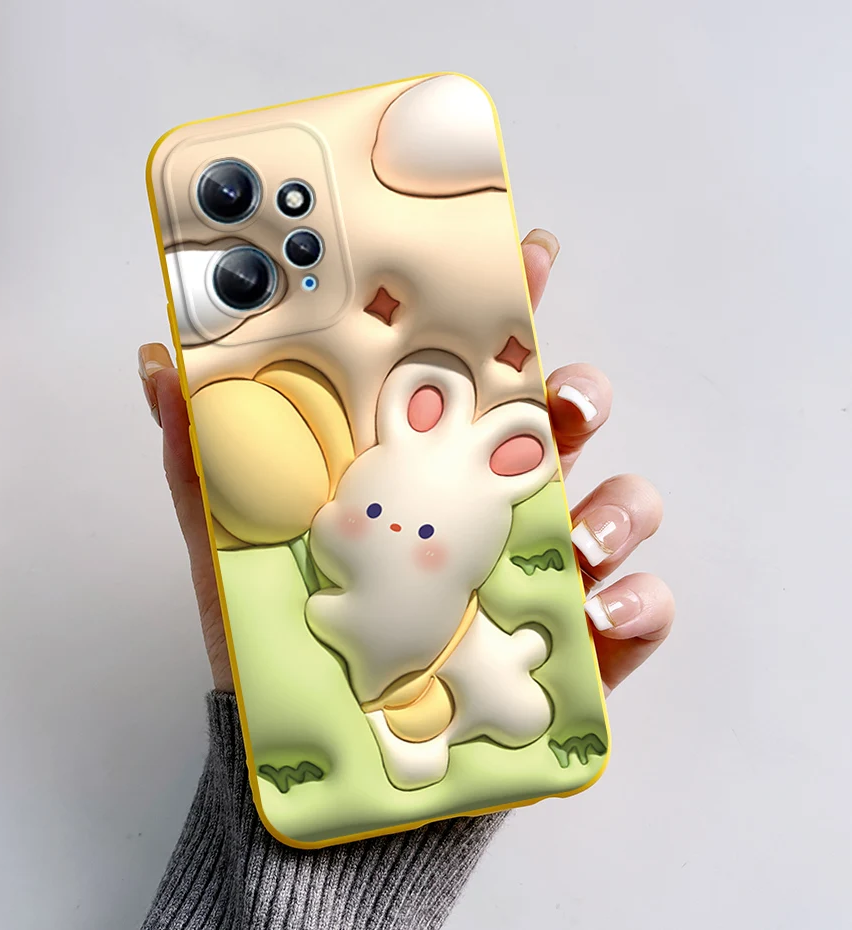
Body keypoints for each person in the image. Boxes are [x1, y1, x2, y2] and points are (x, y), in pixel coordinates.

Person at [136, 230, 675, 930]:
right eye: (374, 514)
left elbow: (337, 601)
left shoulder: (418, 545)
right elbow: (332, 592)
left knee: (505, 694)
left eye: (420, 534)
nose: (387, 529)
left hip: (448, 672)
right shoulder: (341, 557)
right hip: (397, 698)